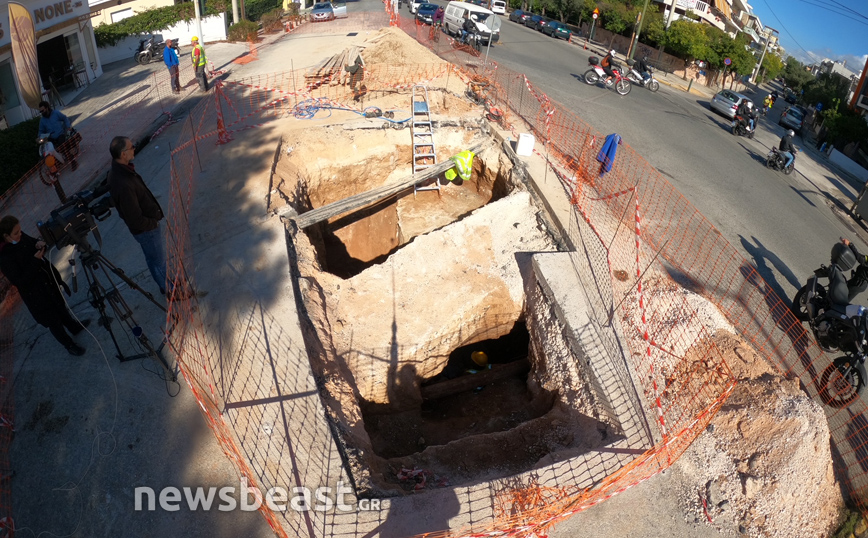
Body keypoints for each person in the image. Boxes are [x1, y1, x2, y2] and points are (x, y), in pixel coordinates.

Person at [0, 216, 89, 356]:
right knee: (53, 320)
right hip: (35, 294)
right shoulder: (4, 257)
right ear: (6, 236)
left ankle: (73, 326)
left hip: (46, 280)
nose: (20, 234)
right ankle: (68, 344)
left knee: (60, 305)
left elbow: (34, 242)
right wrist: (35, 260)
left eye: (20, 230)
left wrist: (40, 244)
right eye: (16, 233)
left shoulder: (21, 237)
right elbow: (20, 281)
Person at [107, 136, 175, 298]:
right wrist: (152, 223)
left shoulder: (120, 170)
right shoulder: (122, 182)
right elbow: (134, 218)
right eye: (132, 147)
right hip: (146, 230)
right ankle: (170, 291)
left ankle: (164, 283)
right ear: (123, 154)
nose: (134, 149)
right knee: (158, 261)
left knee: (153, 259)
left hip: (144, 228)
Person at [37, 101, 77, 171]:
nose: (42, 113)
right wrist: (40, 137)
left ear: (47, 108)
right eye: (40, 111)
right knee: (48, 149)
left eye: (43, 110)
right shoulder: (42, 120)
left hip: (60, 134)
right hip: (51, 138)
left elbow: (64, 118)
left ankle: (73, 162)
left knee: (62, 147)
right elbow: (40, 131)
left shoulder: (56, 113)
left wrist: (68, 126)